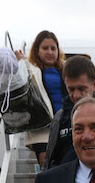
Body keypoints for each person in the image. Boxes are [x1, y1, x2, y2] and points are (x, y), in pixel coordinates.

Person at [14, 30, 68, 168]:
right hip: (43, 127)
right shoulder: (32, 70)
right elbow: (19, 80)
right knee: (46, 164)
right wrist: (20, 62)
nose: (50, 52)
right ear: (37, 50)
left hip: (65, 123)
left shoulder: (65, 69)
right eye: (45, 48)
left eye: (53, 48)